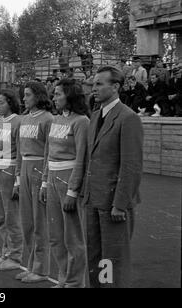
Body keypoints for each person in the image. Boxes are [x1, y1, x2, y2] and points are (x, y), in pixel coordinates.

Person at [84, 66, 144, 288]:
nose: (94, 89)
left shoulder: (128, 118)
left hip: (113, 203)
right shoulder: (96, 115)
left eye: (100, 84)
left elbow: (131, 166)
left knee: (112, 260)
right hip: (94, 199)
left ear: (116, 87)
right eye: (93, 84)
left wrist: (120, 204)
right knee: (95, 257)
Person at [41, 79, 89, 288]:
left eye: (58, 94)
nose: (54, 98)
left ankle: (75, 283)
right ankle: (63, 279)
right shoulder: (56, 120)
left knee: (73, 237)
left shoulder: (81, 122)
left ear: (70, 96)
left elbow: (82, 158)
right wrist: (43, 182)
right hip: (52, 178)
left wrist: (73, 190)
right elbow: (47, 153)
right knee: (55, 235)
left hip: (68, 178)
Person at [15, 82, 54, 283]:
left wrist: (46, 180)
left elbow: (49, 151)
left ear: (38, 96)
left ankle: (41, 268)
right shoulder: (24, 119)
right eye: (24, 95)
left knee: (40, 222)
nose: (24, 98)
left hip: (39, 167)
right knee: (27, 221)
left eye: (28, 95)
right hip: (25, 167)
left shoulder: (48, 119)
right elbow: (20, 149)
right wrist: (17, 177)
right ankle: (30, 264)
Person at [0, 89, 23, 271]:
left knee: (11, 216)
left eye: (1, 102)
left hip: (9, 170)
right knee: (0, 215)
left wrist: (17, 179)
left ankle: (16, 255)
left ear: (10, 103)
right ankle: (5, 252)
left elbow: (19, 152)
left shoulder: (17, 121)